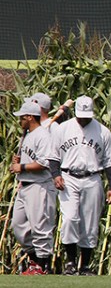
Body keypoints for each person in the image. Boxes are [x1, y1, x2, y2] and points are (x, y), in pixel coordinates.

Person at [49, 96, 111, 276]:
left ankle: (85, 266)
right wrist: (56, 175)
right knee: (70, 219)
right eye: (81, 115)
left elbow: (110, 161)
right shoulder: (63, 129)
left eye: (87, 115)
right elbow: (53, 156)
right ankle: (71, 262)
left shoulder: (103, 131)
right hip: (68, 178)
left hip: (93, 177)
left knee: (90, 223)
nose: (84, 119)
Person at [9, 102, 57, 275]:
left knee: (40, 227)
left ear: (30, 117)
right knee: (19, 225)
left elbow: (44, 163)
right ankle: (35, 261)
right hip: (25, 185)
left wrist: (21, 167)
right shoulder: (28, 135)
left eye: (22, 117)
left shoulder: (43, 136)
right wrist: (19, 162)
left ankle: (42, 265)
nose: (20, 121)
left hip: (40, 185)